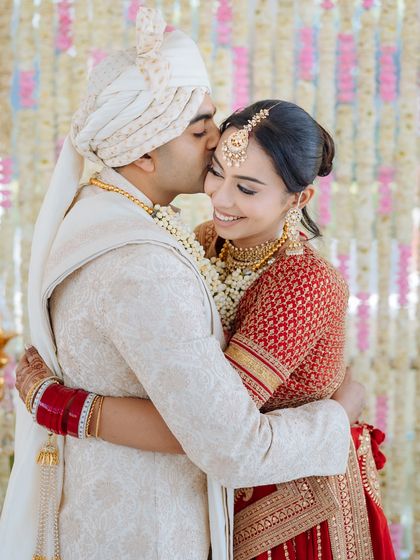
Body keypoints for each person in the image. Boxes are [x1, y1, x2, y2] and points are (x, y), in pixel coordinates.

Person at [0, 8, 363, 560]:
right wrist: (341, 412)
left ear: (297, 198)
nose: (218, 142)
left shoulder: (112, 221)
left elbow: (223, 427)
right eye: (201, 132)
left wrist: (59, 404)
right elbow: (229, 439)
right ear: (144, 150)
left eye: (247, 185)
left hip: (295, 508)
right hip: (150, 527)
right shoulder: (147, 257)